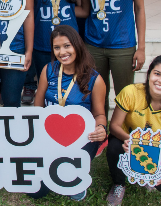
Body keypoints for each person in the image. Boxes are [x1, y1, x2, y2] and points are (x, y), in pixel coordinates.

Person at [30, 25, 106, 201]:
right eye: (57, 47)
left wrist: (101, 127)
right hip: (50, 133)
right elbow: (38, 106)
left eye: (67, 46)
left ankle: (74, 174)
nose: (62, 52)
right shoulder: (48, 70)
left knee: (67, 177)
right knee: (37, 191)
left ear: (77, 46)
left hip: (80, 137)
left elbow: (100, 114)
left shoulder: (95, 79)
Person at [106, 55, 161, 206]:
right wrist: (132, 143)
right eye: (157, 74)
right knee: (113, 147)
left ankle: (147, 176)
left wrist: (158, 167)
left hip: (156, 147)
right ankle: (119, 184)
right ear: (149, 74)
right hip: (127, 140)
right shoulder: (131, 92)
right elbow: (114, 126)